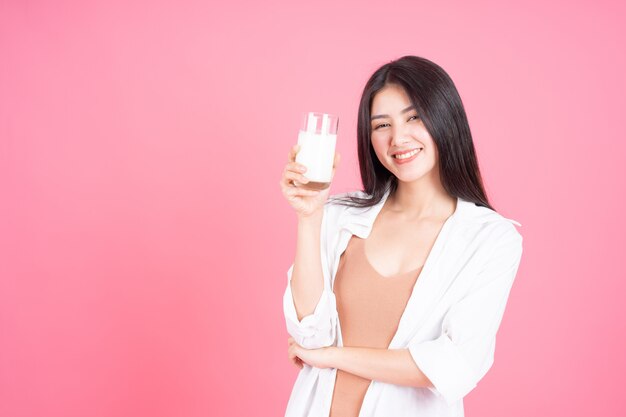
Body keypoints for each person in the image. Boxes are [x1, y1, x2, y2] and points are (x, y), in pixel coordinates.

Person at [278, 55, 523, 417]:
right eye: (381, 125)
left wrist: (333, 357)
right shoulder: (340, 214)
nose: (398, 138)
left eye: (414, 117)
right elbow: (308, 333)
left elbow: (455, 365)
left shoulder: (490, 239)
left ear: (446, 118)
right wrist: (310, 216)